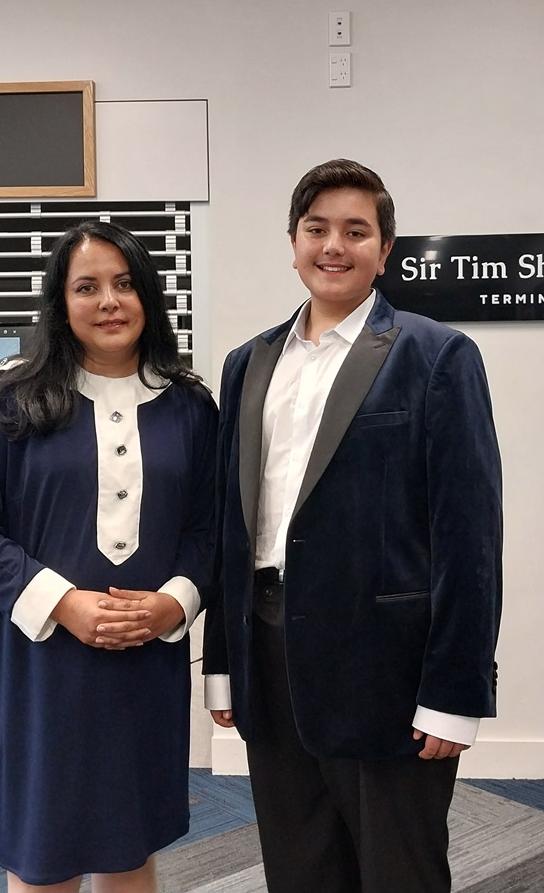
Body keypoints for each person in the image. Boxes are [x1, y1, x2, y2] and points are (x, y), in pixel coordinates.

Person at [203, 159, 502, 893]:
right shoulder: (249, 362)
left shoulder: (436, 355)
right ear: (294, 241)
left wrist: (456, 694)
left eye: (356, 231)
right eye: (317, 229)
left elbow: (470, 539)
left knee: (399, 871)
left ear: (385, 249)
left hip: (389, 673)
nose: (334, 246)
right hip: (271, 659)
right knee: (300, 867)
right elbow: (231, 527)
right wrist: (223, 661)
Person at [0, 220, 216, 892]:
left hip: (143, 663)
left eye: (124, 283)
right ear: (61, 303)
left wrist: (172, 602)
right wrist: (62, 602)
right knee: (42, 850)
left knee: (129, 847)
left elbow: (211, 531)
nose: (109, 301)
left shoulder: (189, 405)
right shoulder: (9, 395)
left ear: (148, 294)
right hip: (36, 665)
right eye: (87, 286)